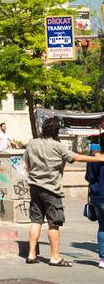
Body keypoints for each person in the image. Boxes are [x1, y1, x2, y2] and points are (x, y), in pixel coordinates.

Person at [25, 116, 104, 267]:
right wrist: (100, 159)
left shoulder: (32, 143)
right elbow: (76, 158)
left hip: (34, 187)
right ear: (56, 131)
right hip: (51, 189)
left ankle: (31, 254)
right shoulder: (58, 146)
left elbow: (27, 164)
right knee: (54, 223)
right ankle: (54, 257)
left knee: (36, 221)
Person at [85, 115, 104, 270]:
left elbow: (88, 177)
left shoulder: (92, 159)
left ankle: (103, 259)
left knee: (102, 227)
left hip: (97, 196)